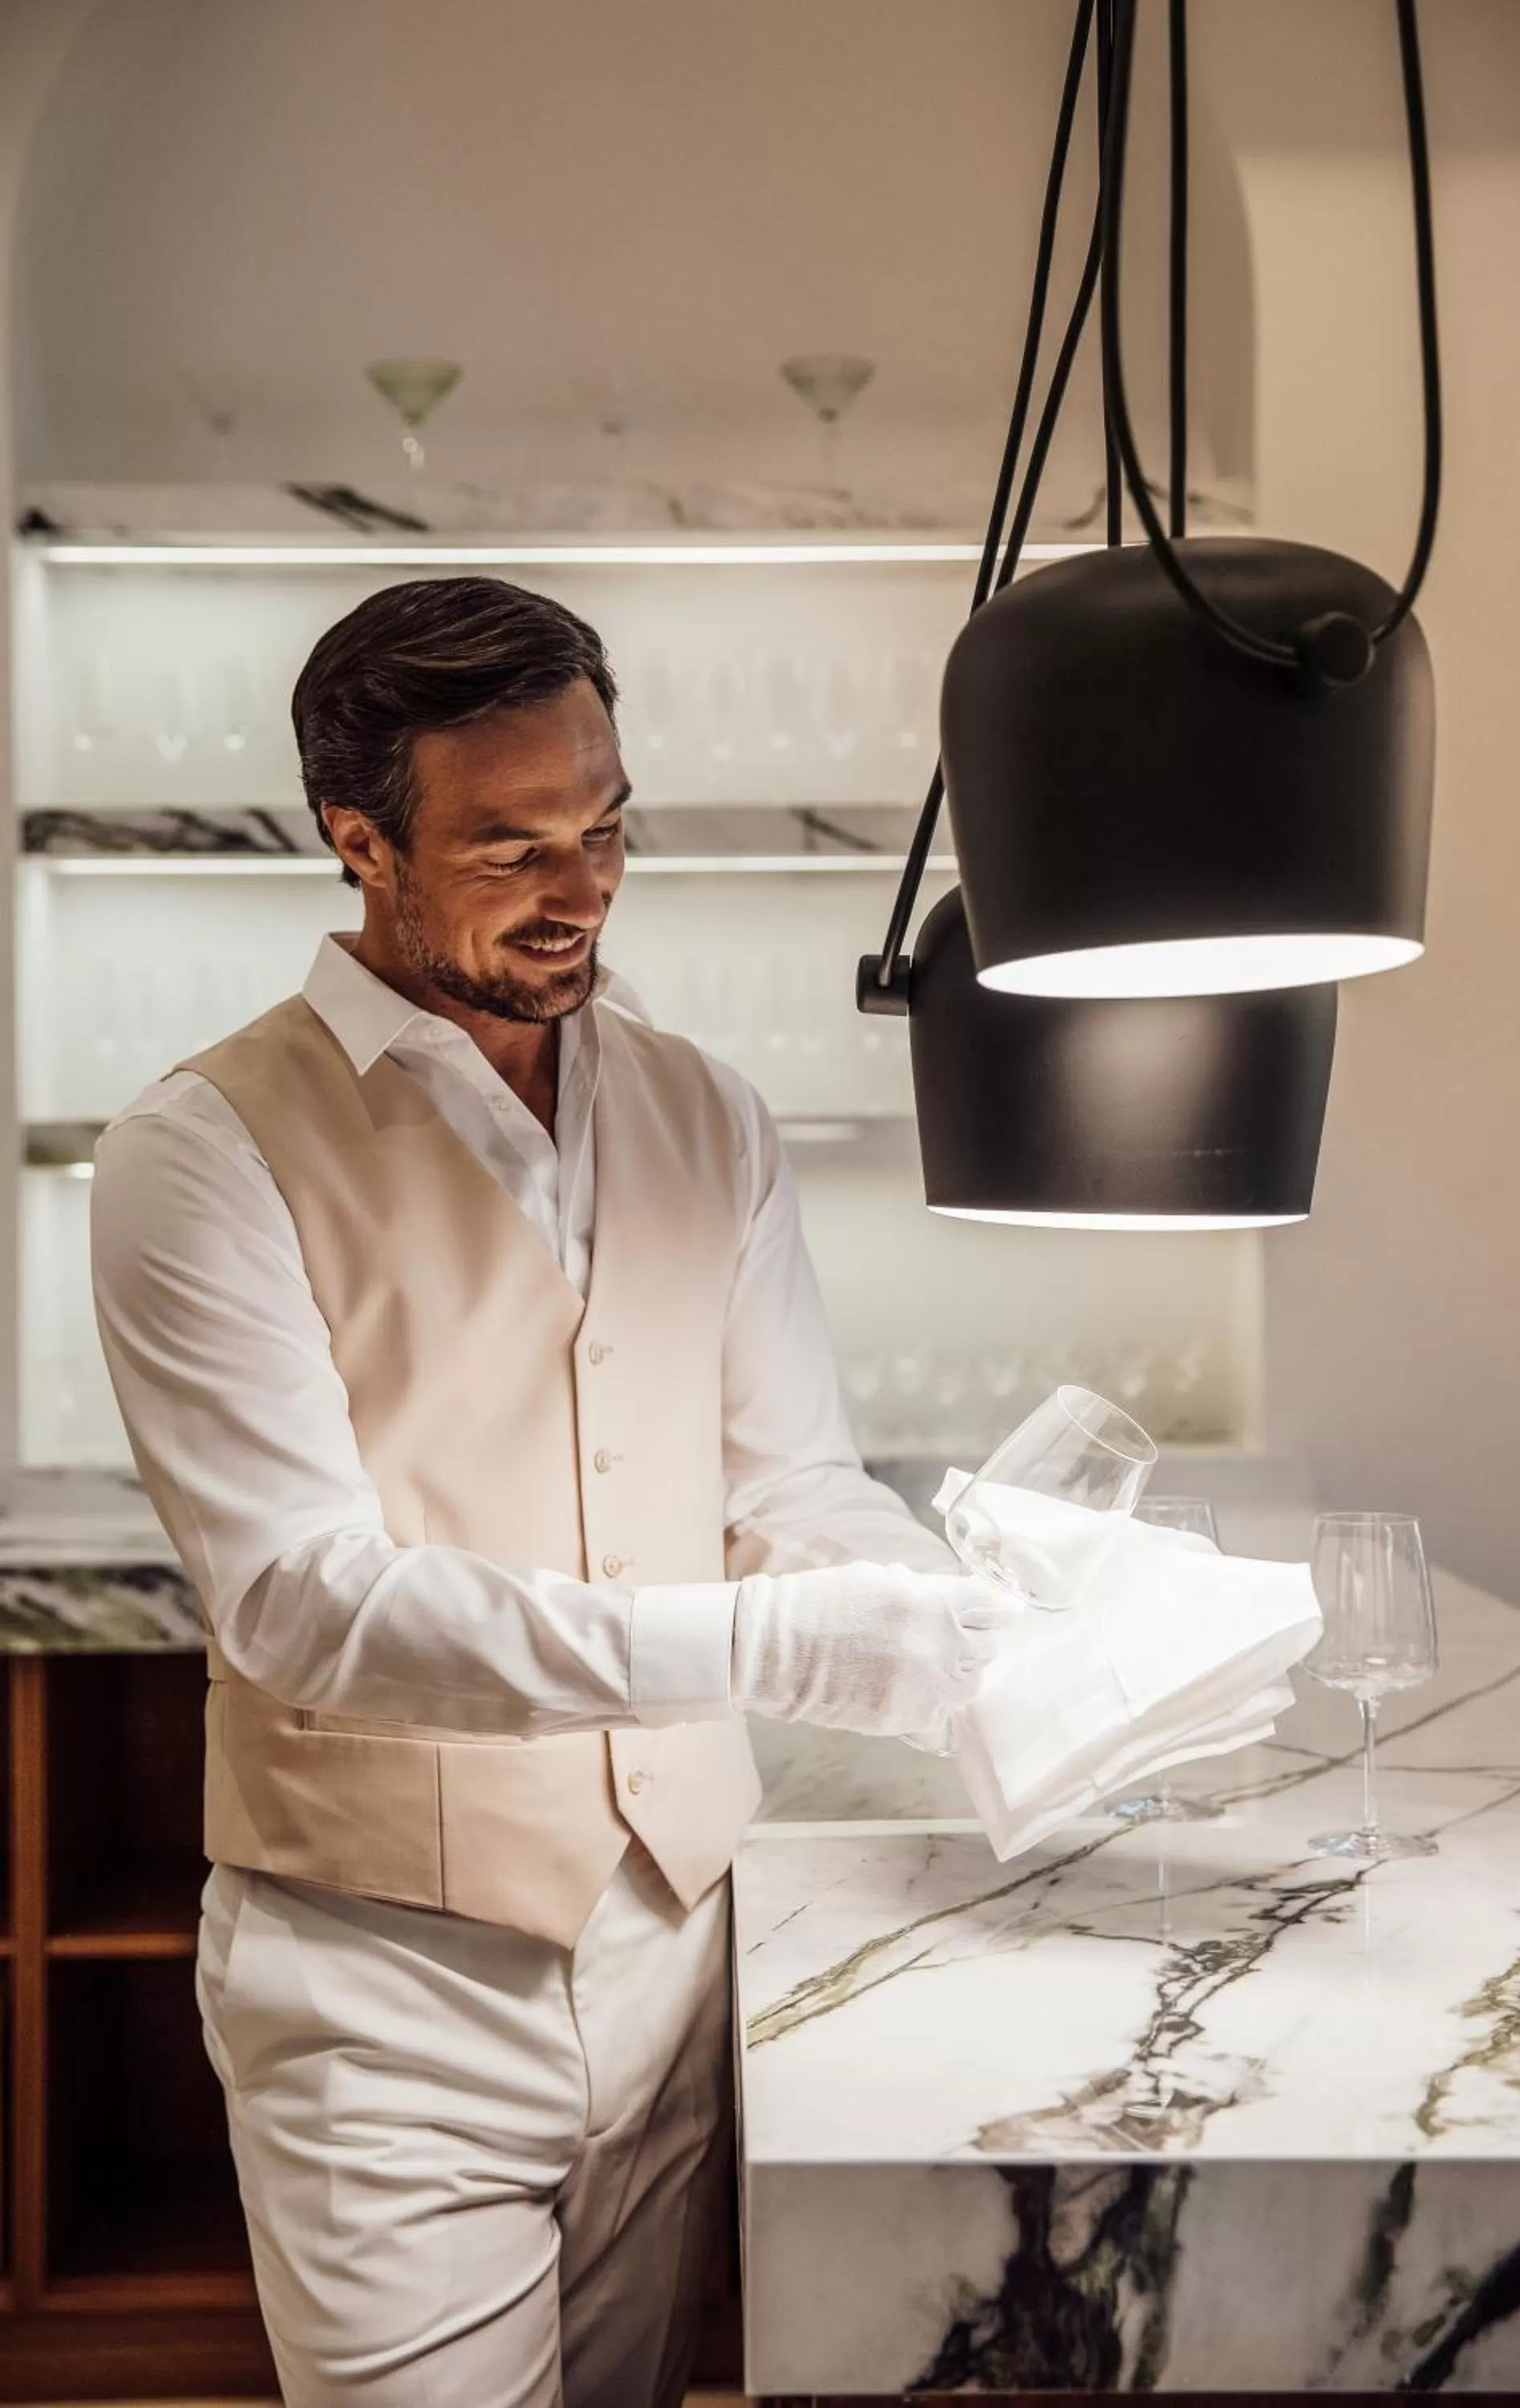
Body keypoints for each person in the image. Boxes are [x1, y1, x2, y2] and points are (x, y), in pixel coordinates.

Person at [90, 576, 1000, 2408]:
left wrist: (934, 1610)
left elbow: (793, 1483)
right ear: (359, 843)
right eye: (511, 849)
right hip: (380, 1999)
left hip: (678, 1957)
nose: (579, 887)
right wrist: (778, 1646)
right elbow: (303, 1607)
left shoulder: (705, 1112)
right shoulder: (199, 1151)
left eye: (604, 827)